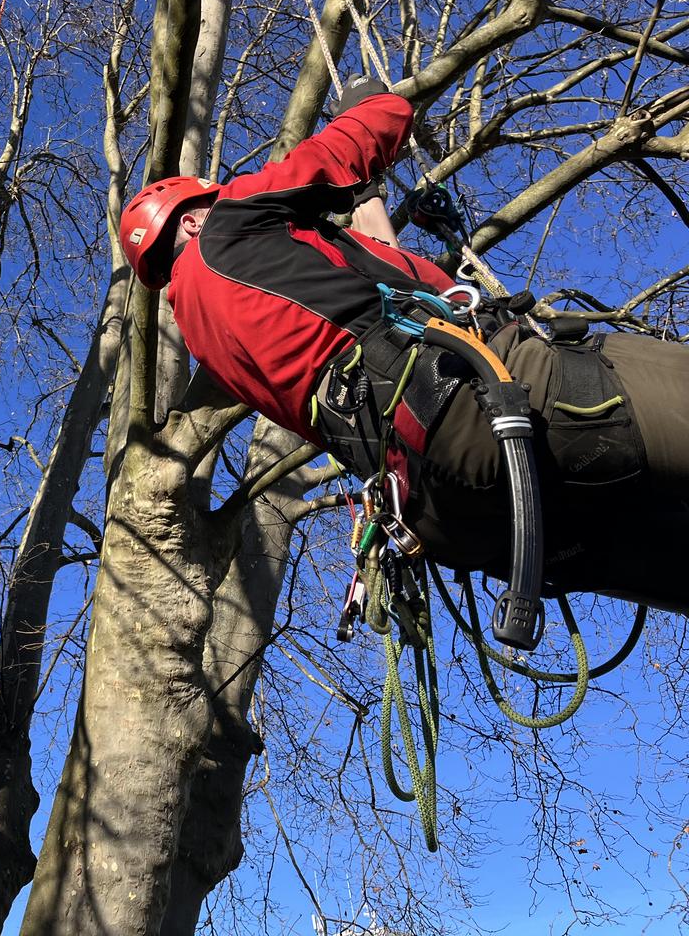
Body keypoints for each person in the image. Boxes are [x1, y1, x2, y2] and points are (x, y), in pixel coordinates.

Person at [119, 77, 689, 617]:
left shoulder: (210, 341)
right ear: (191, 223)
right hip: (483, 402)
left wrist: (374, 215)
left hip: (442, 505)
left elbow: (366, 318)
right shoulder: (230, 223)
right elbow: (359, 138)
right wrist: (373, 101)